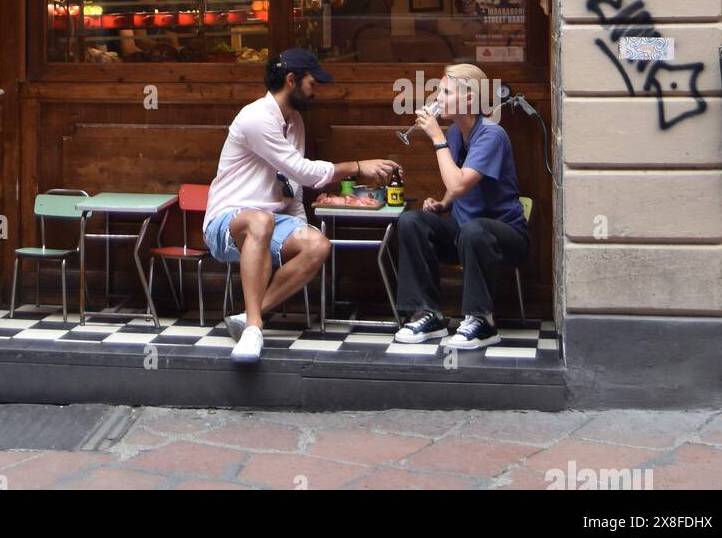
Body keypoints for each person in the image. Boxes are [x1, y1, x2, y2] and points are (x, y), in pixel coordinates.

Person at [203, 48, 397, 363]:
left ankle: (247, 315)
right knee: (260, 221)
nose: (315, 90)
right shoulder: (256, 117)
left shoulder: (294, 123)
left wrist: (301, 228)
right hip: (226, 223)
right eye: (312, 83)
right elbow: (302, 171)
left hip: (271, 222)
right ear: (291, 80)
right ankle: (254, 328)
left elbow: (291, 185)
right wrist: (357, 166)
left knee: (317, 245)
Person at [393, 62, 529, 350]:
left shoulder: (492, 135)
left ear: (469, 98)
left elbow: (459, 183)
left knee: (474, 230)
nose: (437, 99)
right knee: (411, 222)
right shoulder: (456, 133)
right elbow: (456, 184)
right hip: (466, 234)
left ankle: (482, 321)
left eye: (444, 92)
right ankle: (428, 314)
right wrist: (442, 204)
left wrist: (437, 138)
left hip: (504, 238)